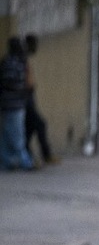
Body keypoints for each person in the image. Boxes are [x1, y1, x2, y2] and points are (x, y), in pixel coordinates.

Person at [23, 34, 58, 166]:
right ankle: (44, 154)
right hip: (24, 101)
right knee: (39, 124)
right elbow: (27, 82)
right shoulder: (21, 60)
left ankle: (29, 154)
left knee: (30, 128)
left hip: (26, 101)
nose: (36, 48)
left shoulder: (24, 59)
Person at [0, 37, 33, 171]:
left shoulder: (7, 62)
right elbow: (15, 82)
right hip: (15, 105)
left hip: (10, 104)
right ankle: (25, 162)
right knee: (17, 135)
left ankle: (7, 161)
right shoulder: (15, 63)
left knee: (7, 134)